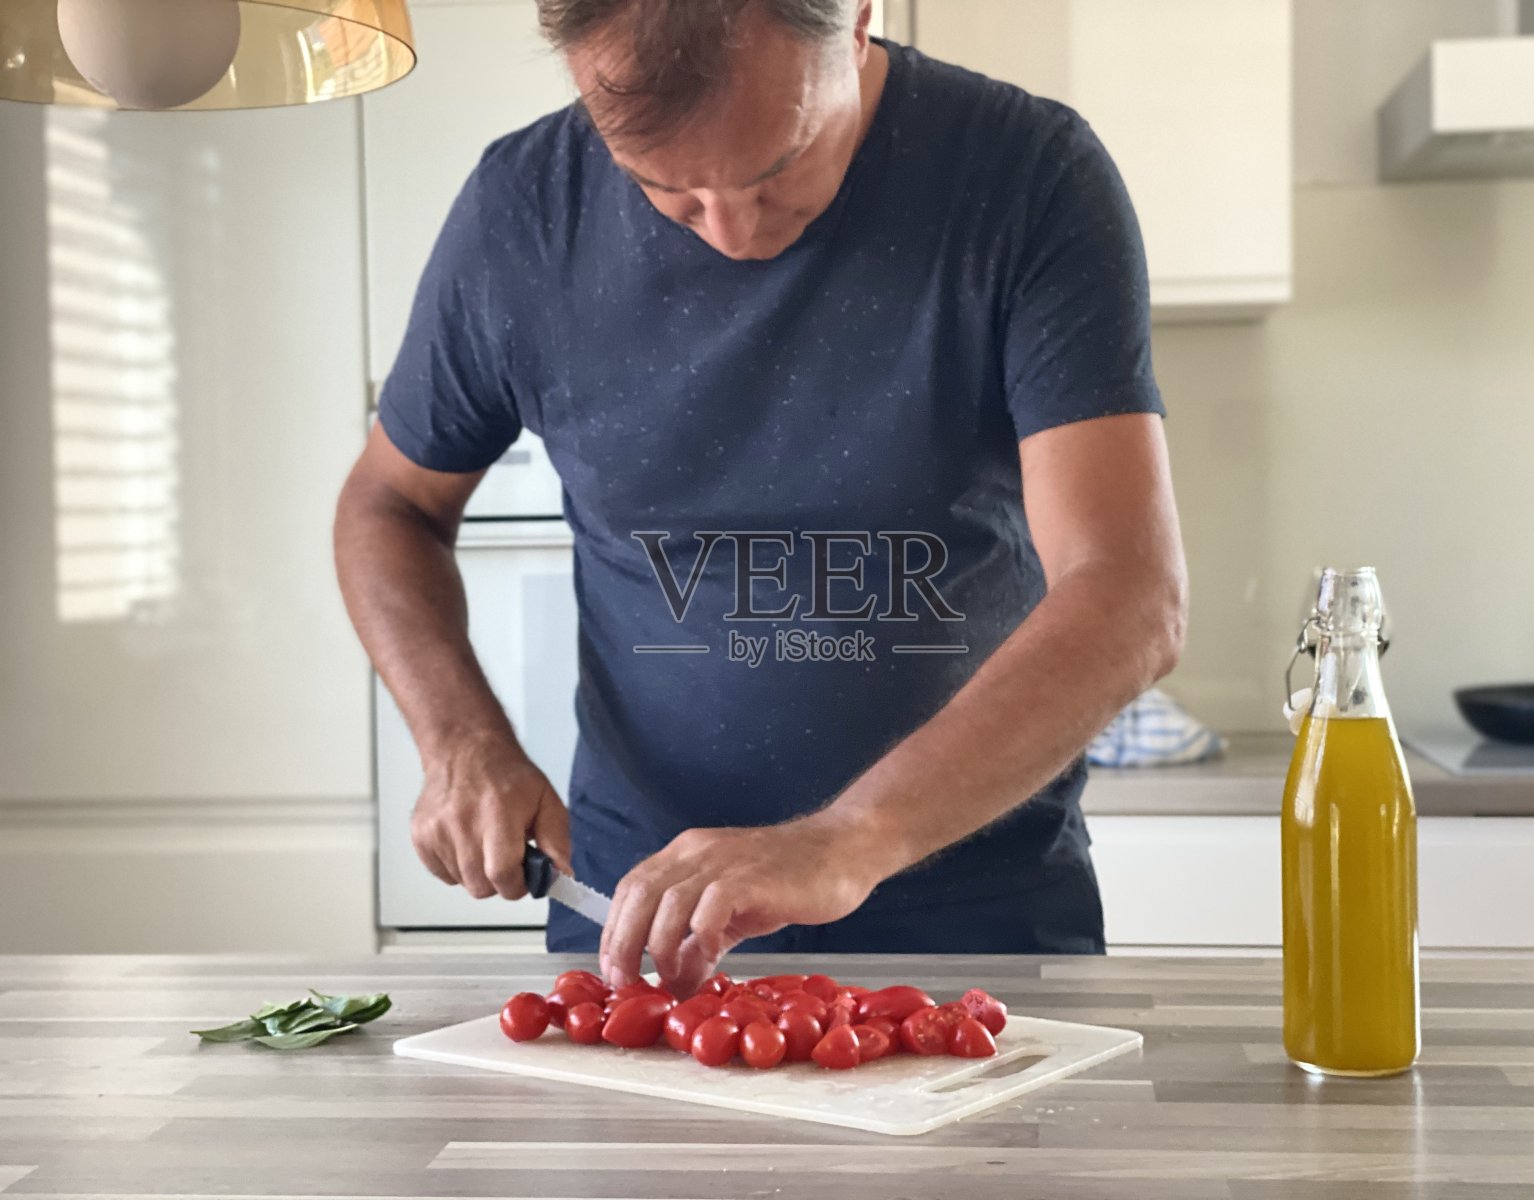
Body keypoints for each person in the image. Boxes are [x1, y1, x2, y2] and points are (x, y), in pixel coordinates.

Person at [333, 0, 1187, 993]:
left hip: (975, 919)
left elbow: (1128, 592)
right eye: (666, 191)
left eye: (774, 170)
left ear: (858, 20)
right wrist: (461, 741)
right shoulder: (521, 208)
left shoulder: (1027, 174)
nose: (730, 234)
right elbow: (387, 507)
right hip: (641, 927)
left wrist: (847, 839)